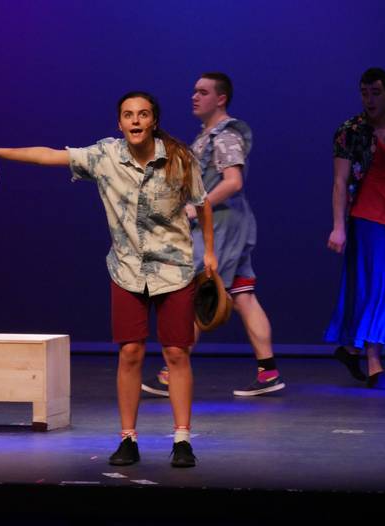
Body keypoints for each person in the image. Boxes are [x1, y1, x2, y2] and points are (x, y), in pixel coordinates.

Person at [0, 91, 216, 468]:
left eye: (142, 114)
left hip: (174, 268)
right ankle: (128, 439)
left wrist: (209, 252)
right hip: (127, 269)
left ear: (153, 121)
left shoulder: (179, 158)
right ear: (119, 123)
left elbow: (203, 202)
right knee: (130, 352)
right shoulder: (105, 155)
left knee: (177, 353)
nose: (135, 120)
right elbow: (49, 155)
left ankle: (182, 440)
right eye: (128, 115)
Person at [141, 72, 285, 398]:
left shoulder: (225, 134)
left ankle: (171, 372)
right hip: (225, 222)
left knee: (193, 290)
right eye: (194, 91)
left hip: (221, 224)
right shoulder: (207, 135)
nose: (195, 97)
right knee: (243, 294)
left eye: (203, 92)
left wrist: (195, 209)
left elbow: (233, 181)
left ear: (221, 99)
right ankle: (268, 371)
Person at [325, 67, 385, 389]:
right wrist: (338, 227)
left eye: (376, 92)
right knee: (378, 286)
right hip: (369, 213)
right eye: (365, 93)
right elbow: (340, 182)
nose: (369, 100)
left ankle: (352, 349)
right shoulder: (350, 131)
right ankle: (374, 361)